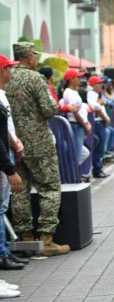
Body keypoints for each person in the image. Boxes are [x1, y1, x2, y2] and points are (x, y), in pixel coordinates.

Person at [7, 43, 69, 256]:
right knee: (49, 187)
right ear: (29, 57)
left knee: (19, 190)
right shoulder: (35, 78)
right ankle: (46, 238)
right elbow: (49, 108)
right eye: (34, 55)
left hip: (12, 141)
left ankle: (24, 237)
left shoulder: (6, 77)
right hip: (38, 142)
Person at [0, 54, 27, 275]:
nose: (12, 71)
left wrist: (15, 144)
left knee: (3, 206)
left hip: (6, 151)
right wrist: (8, 168)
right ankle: (2, 253)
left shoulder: (3, 95)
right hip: (2, 157)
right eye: (9, 68)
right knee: (0, 207)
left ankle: (5, 251)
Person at [86, 76, 110, 178]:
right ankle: (97, 169)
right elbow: (96, 108)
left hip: (100, 122)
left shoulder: (96, 94)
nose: (101, 85)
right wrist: (105, 118)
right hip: (98, 122)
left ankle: (98, 168)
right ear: (93, 84)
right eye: (98, 83)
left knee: (100, 147)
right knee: (99, 148)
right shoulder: (92, 94)